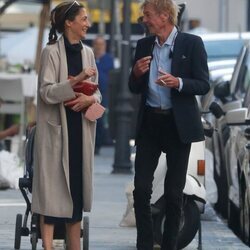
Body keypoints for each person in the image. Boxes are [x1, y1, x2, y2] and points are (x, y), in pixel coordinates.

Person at [128, 1, 210, 250]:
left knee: (174, 194)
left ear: (164, 17)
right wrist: (136, 74)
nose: (144, 19)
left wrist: (179, 83)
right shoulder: (143, 45)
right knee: (141, 189)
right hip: (150, 124)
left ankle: (169, 246)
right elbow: (133, 88)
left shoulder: (191, 43)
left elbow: (203, 84)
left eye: (148, 15)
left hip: (178, 126)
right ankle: (144, 243)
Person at [31, 2, 101, 250]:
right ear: (69, 22)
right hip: (55, 132)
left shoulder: (89, 53)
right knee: (51, 193)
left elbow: (98, 93)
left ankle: (75, 247)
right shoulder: (51, 52)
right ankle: (47, 247)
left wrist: (91, 98)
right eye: (83, 19)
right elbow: (46, 92)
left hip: (80, 131)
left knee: (77, 195)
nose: (87, 24)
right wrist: (78, 80)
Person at [92, 36, 114, 154]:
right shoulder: (90, 58)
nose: (99, 47)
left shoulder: (108, 59)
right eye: (97, 44)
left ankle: (98, 145)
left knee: (100, 119)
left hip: (104, 94)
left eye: (101, 44)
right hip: (90, 93)